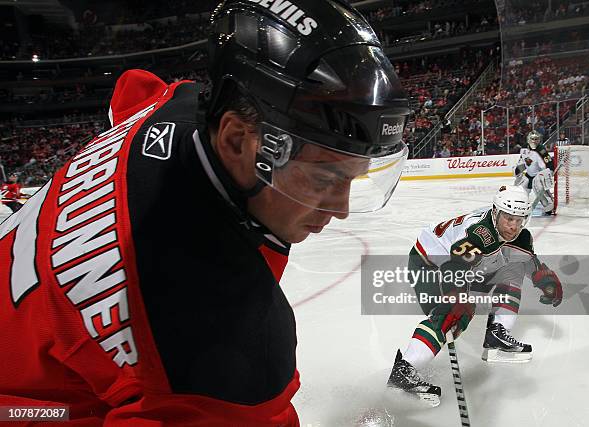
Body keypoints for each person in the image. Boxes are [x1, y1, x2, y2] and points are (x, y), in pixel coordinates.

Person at [0, 1, 410, 425]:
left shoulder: (179, 106)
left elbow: (133, 89)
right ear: (237, 140)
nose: (339, 210)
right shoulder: (225, 351)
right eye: (324, 178)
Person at [386, 186, 563, 406]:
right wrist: (456, 297)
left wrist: (546, 280)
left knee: (512, 269)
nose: (514, 226)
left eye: (520, 220)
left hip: (464, 265)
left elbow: (527, 260)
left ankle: (497, 333)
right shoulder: (481, 233)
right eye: (509, 218)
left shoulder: (519, 236)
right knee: (452, 314)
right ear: (496, 212)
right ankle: (404, 371)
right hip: (428, 262)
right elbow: (454, 265)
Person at [514, 130, 555, 215]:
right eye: (533, 139)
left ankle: (548, 205)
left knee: (539, 188)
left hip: (539, 175)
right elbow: (524, 160)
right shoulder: (524, 148)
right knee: (520, 187)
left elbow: (549, 163)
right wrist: (518, 170)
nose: (534, 141)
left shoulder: (541, 150)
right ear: (528, 139)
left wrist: (548, 173)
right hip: (529, 174)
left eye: (536, 139)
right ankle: (521, 205)